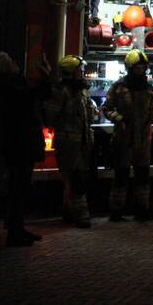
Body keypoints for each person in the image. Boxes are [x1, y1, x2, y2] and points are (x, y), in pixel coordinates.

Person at [0, 50, 48, 247]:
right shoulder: (11, 85)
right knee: (19, 187)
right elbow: (37, 95)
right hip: (20, 144)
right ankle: (15, 232)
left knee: (18, 187)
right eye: (11, 61)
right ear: (5, 66)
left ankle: (17, 228)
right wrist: (45, 75)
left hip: (16, 144)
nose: (15, 62)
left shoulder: (4, 86)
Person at [103, 49, 153, 221]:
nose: (140, 71)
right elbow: (106, 108)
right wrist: (119, 119)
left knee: (143, 176)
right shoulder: (119, 88)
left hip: (142, 140)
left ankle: (142, 209)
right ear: (130, 68)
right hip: (123, 139)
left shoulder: (148, 89)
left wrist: (152, 117)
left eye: (143, 68)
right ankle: (116, 211)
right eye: (137, 68)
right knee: (121, 176)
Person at [43, 55, 96, 228]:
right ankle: (81, 215)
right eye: (80, 71)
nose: (82, 74)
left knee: (73, 180)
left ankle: (68, 212)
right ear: (70, 73)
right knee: (76, 179)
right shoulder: (60, 91)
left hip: (81, 142)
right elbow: (51, 116)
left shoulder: (80, 91)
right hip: (68, 143)